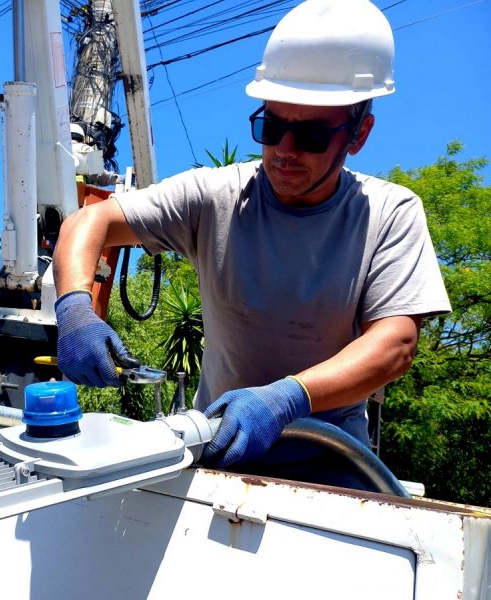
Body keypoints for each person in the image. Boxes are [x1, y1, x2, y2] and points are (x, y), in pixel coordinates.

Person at [51, 0, 451, 485]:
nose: (283, 151)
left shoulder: (389, 213)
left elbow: (395, 344)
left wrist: (288, 398)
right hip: (217, 447)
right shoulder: (215, 195)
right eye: (272, 126)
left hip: (330, 461)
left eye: (310, 136)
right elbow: (91, 222)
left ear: (358, 134)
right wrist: (74, 308)